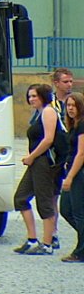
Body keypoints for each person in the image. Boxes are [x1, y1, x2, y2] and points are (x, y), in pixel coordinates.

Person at [13, 83, 63, 255]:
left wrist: (32, 156)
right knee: (21, 198)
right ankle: (32, 239)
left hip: (44, 162)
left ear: (43, 96)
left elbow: (48, 139)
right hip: (35, 162)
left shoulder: (49, 111)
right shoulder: (37, 114)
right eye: (29, 96)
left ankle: (48, 243)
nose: (31, 99)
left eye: (34, 96)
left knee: (45, 202)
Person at [59, 92, 84, 262]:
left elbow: (81, 153)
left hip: (79, 173)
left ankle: (80, 251)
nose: (70, 109)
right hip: (71, 171)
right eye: (68, 105)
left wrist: (70, 177)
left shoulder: (82, 125)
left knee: (78, 213)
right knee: (66, 209)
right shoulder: (73, 125)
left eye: (74, 105)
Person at [51, 68, 74, 248]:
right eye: (65, 82)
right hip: (57, 153)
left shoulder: (76, 102)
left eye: (70, 81)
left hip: (74, 151)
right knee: (53, 195)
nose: (69, 85)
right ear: (56, 83)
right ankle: (53, 232)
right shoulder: (49, 104)